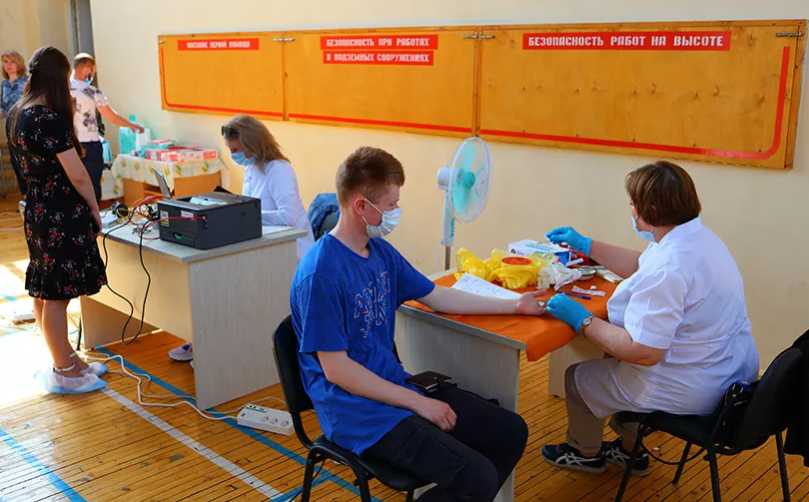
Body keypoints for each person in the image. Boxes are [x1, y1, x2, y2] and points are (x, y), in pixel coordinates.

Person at [290, 147, 544, 502]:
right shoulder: (321, 274)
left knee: (510, 432)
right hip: (355, 413)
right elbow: (338, 371)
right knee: (477, 478)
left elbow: (438, 296)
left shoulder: (380, 252)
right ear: (362, 206)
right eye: (391, 205)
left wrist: (515, 305)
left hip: (393, 388)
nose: (395, 212)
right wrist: (417, 402)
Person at [539, 161, 759, 476]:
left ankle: (584, 453)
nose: (631, 211)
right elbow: (642, 264)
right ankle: (631, 450)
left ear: (651, 211)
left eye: (633, 204)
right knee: (612, 354)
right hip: (727, 371)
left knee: (577, 378)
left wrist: (583, 321)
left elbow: (644, 352)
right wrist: (588, 246)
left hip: (694, 387)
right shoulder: (700, 239)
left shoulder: (671, 266)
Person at [168, 115, 315, 364]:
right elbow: (250, 208)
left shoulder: (278, 169)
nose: (233, 154)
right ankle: (205, 340)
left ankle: (214, 346)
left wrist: (245, 214)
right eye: (230, 149)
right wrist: (236, 213)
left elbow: (288, 217)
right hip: (262, 244)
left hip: (289, 252)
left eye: (235, 149)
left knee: (226, 279)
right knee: (211, 275)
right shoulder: (251, 168)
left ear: (252, 143)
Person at [6, 46, 109, 394]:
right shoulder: (46, 118)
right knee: (56, 296)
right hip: (59, 212)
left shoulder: (18, 112)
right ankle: (63, 369)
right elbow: (78, 174)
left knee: (44, 287)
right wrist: (94, 207)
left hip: (37, 209)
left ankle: (68, 358)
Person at [69, 53, 142, 202]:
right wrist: (131, 125)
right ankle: (94, 214)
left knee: (73, 187)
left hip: (69, 145)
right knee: (92, 186)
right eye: (93, 72)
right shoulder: (93, 92)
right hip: (89, 145)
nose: (93, 76)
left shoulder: (61, 90)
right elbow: (112, 117)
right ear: (87, 69)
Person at [1, 50, 30, 194]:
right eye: (5, 62)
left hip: (25, 126)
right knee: (16, 163)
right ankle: (25, 197)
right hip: (10, 128)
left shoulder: (27, 81)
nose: (8, 65)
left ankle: (33, 196)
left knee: (27, 164)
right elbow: (3, 108)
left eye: (12, 61)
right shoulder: (4, 84)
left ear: (19, 63)